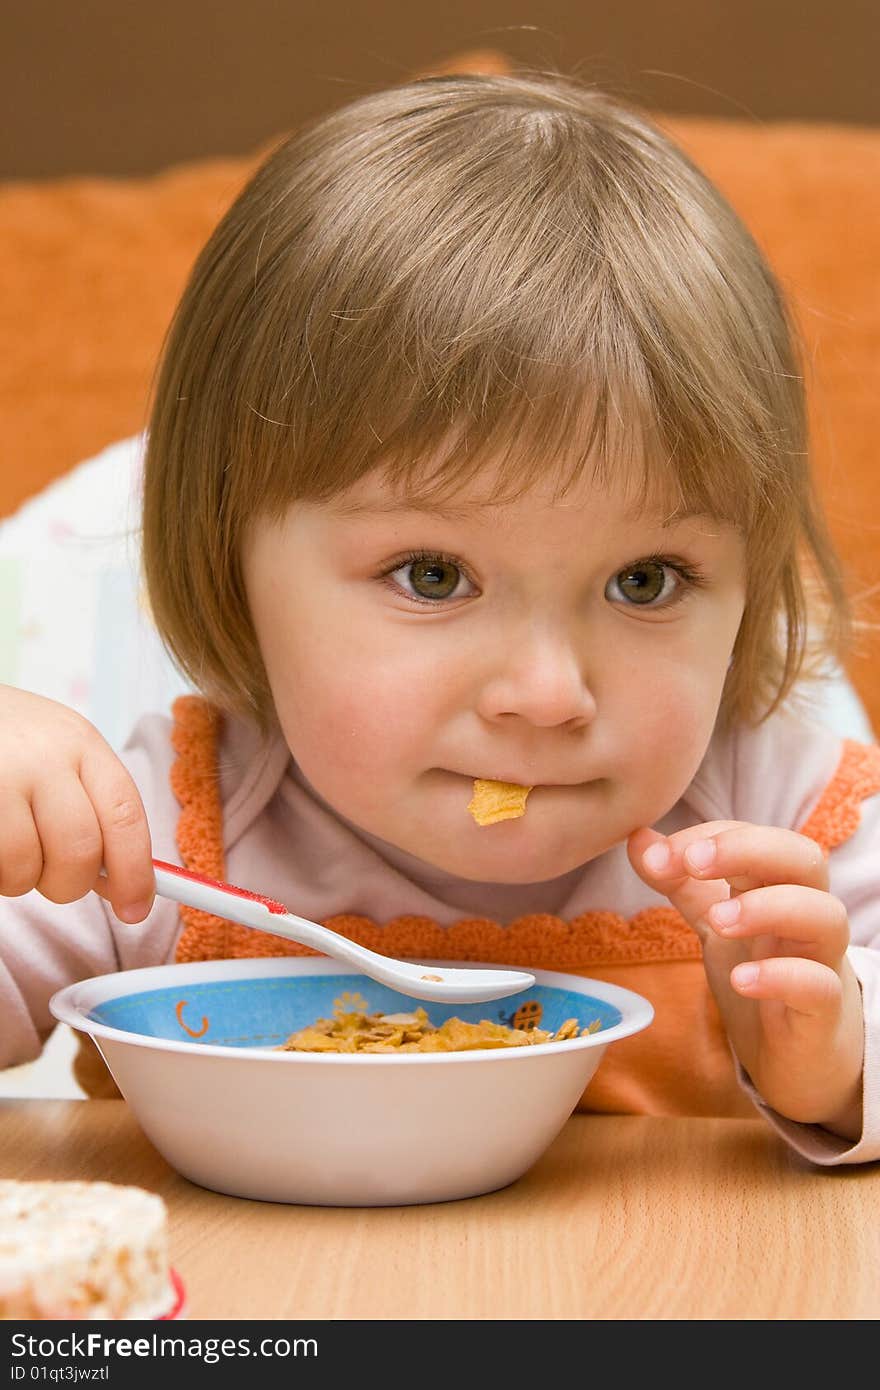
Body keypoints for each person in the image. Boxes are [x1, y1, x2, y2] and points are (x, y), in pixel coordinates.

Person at [1, 72, 878, 1163]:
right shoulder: (155, 839)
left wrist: (835, 1060)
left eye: (644, 581)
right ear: (228, 561)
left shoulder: (789, 825)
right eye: (431, 575)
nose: (549, 694)